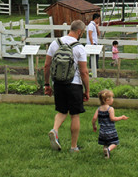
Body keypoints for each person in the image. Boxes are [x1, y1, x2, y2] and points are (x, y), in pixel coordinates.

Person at [44, 20, 89, 153]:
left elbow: (46, 66)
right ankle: (73, 147)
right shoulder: (79, 47)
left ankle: (55, 130)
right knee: (74, 115)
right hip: (74, 85)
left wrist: (47, 84)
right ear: (79, 32)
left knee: (62, 111)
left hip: (58, 83)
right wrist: (87, 90)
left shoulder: (55, 43)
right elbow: (84, 72)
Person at [92, 89, 128, 158]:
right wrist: (121, 117)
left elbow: (94, 119)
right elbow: (112, 118)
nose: (113, 99)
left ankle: (106, 153)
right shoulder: (110, 109)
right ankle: (108, 150)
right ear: (107, 100)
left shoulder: (99, 109)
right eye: (112, 97)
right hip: (110, 130)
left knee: (105, 143)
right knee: (115, 142)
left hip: (102, 131)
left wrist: (94, 126)